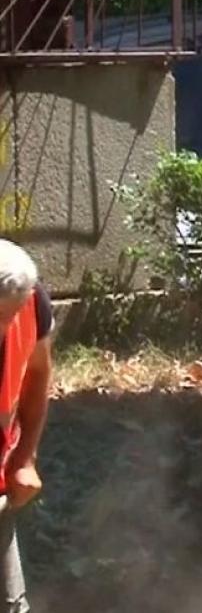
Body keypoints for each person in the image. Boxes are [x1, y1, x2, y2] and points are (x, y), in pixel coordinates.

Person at [0, 240, 54, 613]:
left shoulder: (32, 303)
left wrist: (24, 458)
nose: (5, 328)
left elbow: (36, 373)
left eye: (10, 315)